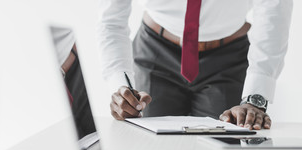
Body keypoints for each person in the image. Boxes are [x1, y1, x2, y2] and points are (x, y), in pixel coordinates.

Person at [97, 0, 293, 130]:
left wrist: (255, 98)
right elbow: (111, 19)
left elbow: (274, 10)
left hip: (228, 58)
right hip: (155, 53)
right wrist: (119, 87)